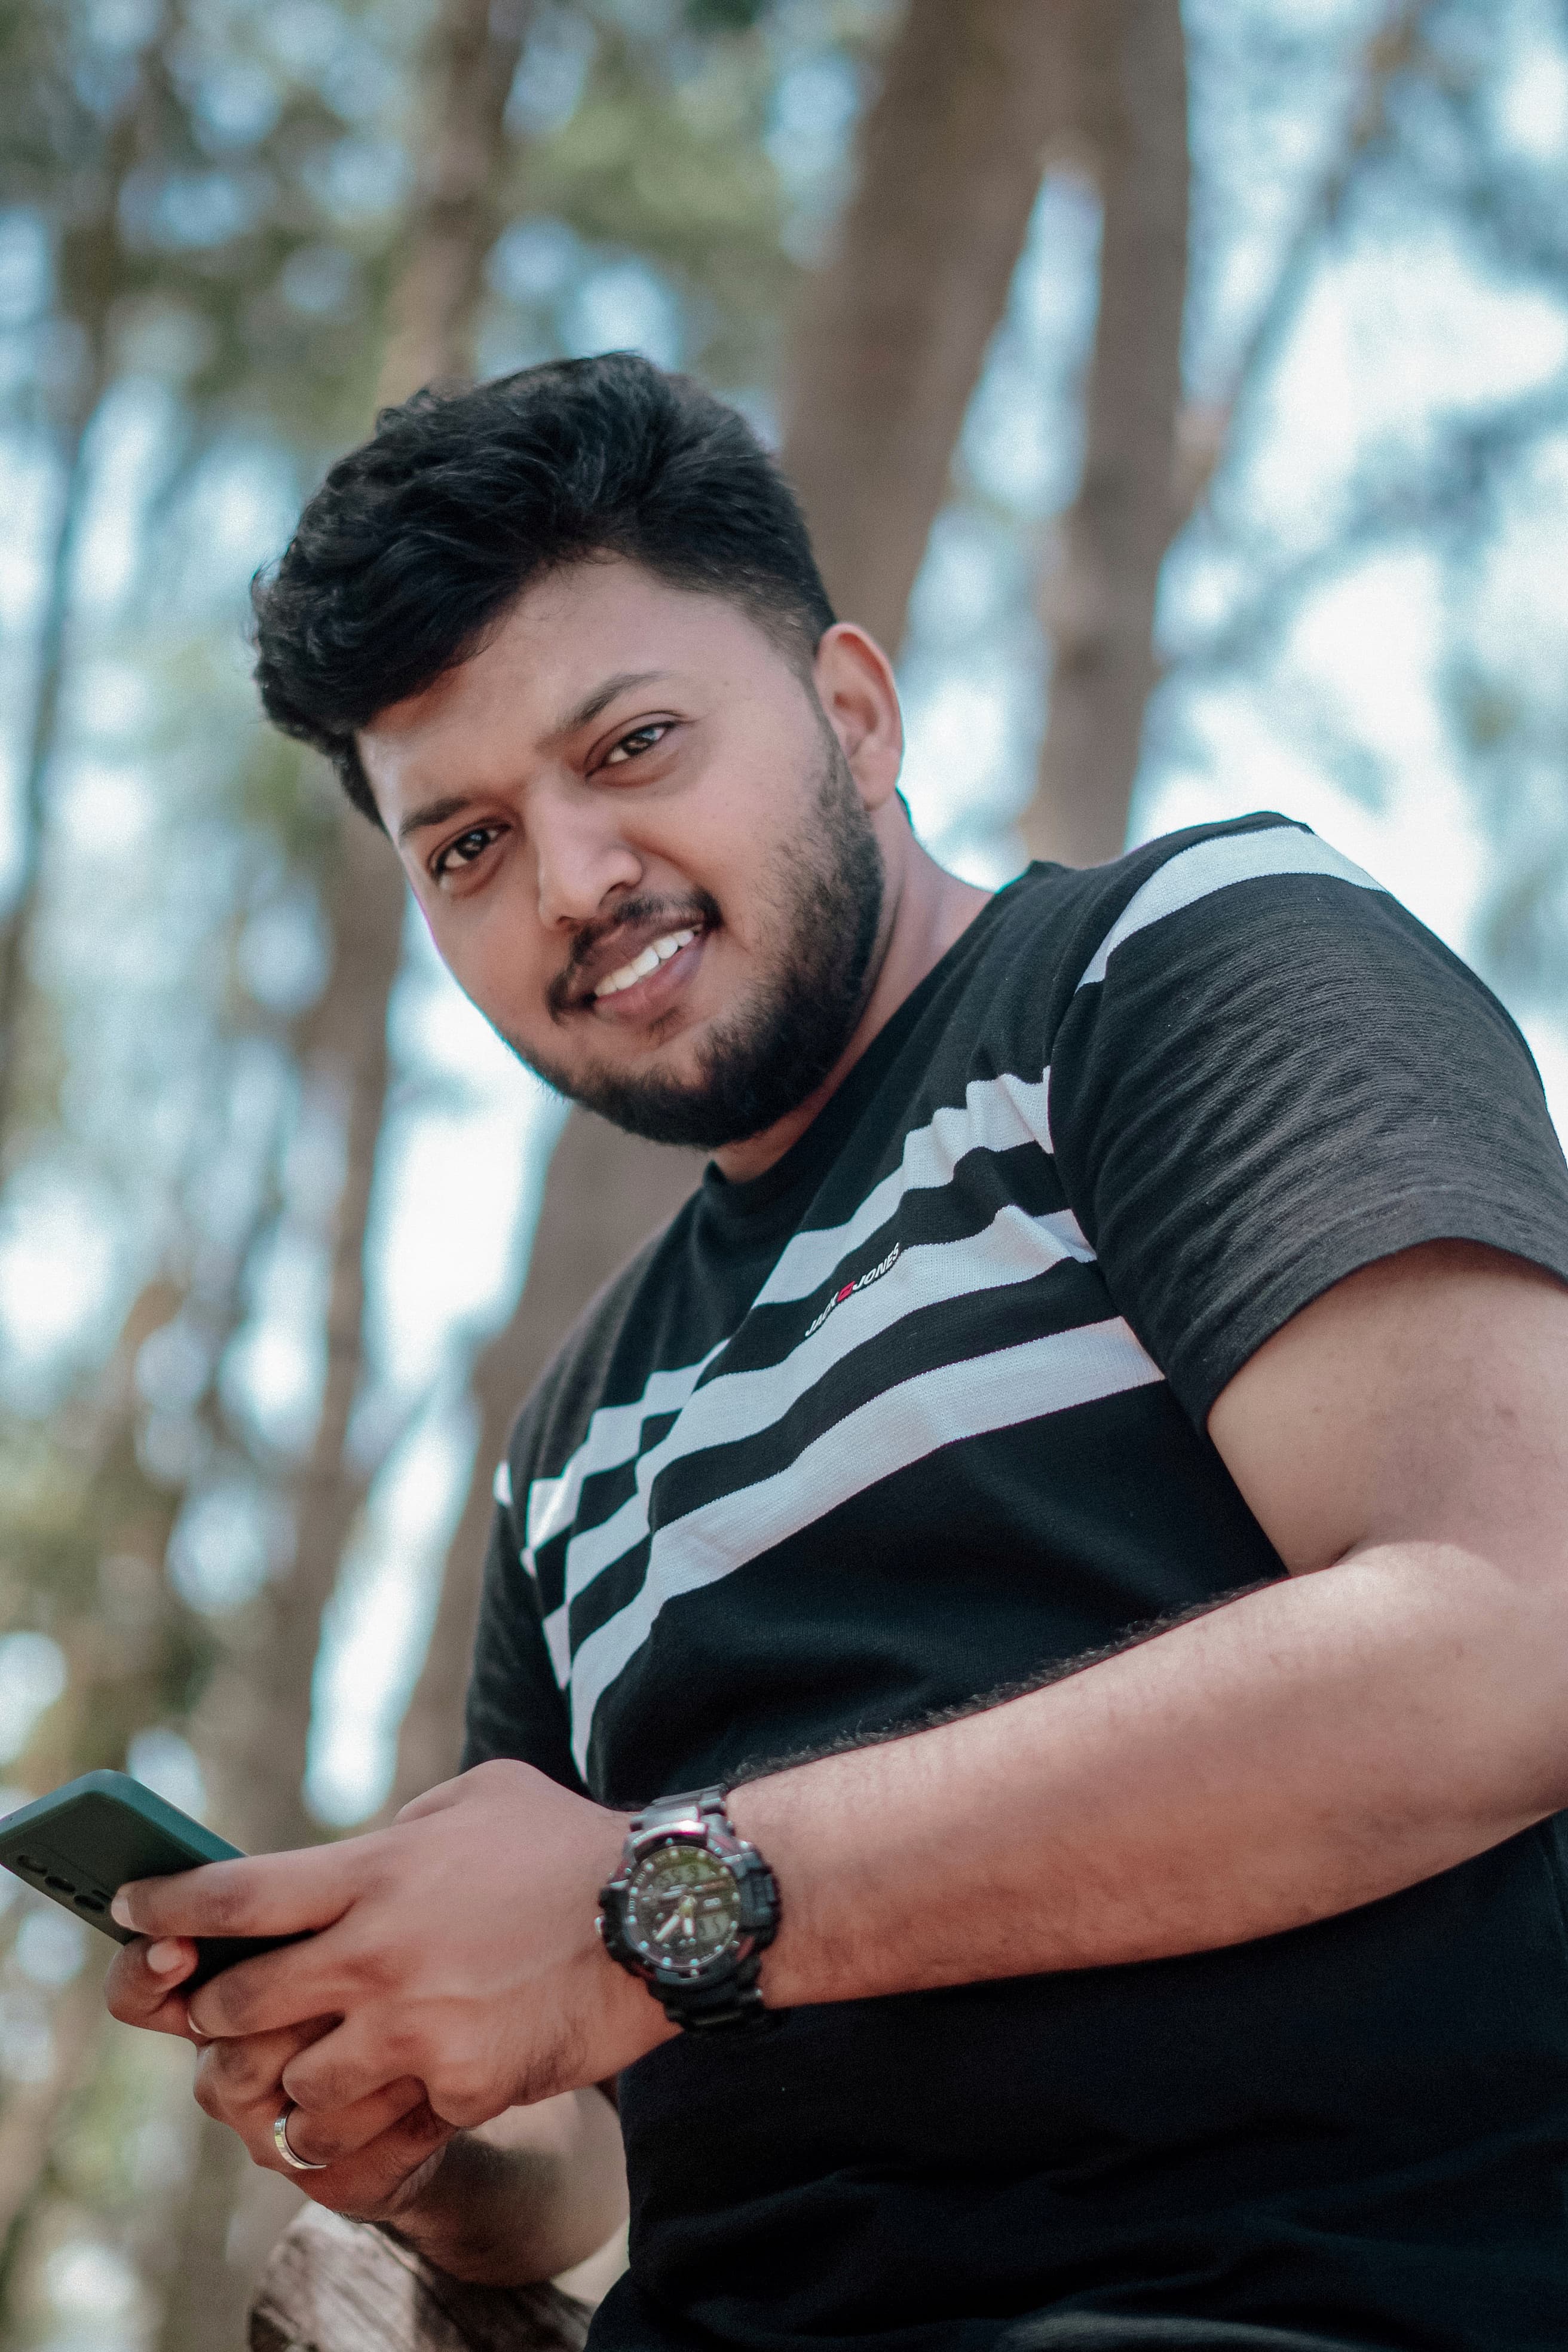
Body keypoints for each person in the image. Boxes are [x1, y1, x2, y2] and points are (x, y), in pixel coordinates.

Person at [107, 353, 1568, 2352]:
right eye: (466, 847)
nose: (575, 880)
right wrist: (421, 2128)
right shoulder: (578, 1435)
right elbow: (588, 2151)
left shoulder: (1172, 973)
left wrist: (657, 1906)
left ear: (856, 714)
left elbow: (1514, 1624)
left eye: (632, 745)